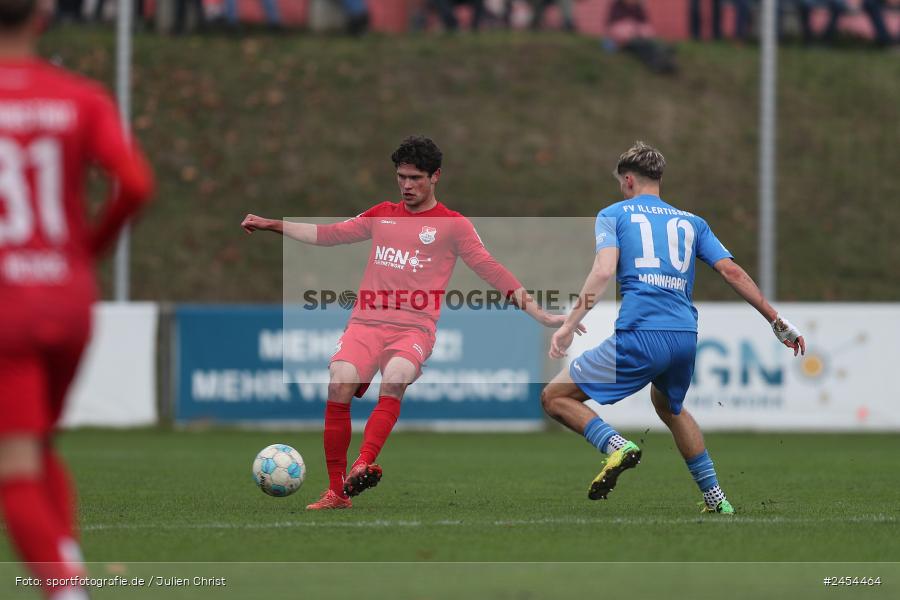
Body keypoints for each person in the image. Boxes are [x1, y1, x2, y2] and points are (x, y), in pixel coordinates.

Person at [241, 136, 575, 510]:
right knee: (338, 384)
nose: (406, 185)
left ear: (436, 177)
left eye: (415, 177)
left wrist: (539, 313)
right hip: (365, 324)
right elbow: (329, 234)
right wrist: (274, 224)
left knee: (396, 376)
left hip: (414, 329)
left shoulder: (453, 225)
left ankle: (363, 462)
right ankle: (337, 492)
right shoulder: (382, 213)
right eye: (401, 177)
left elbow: (490, 269)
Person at [541, 142, 805, 514]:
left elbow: (603, 271)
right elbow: (731, 270)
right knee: (670, 406)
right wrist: (776, 320)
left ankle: (617, 446)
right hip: (684, 336)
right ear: (658, 179)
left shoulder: (613, 214)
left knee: (555, 397)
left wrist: (569, 324)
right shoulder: (692, 222)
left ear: (628, 180)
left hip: (642, 333)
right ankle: (717, 500)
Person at [0, 0, 155, 597]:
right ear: (41, 18)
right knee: (37, 445)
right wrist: (89, 245)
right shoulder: (80, 97)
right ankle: (68, 564)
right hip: (68, 299)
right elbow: (135, 183)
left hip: (7, 307)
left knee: (13, 467)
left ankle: (67, 591)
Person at [605, 0, 677, 75]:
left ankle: (666, 60)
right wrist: (634, 30)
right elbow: (615, 28)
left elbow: (645, 25)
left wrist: (641, 31)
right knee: (642, 46)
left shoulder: (638, 8)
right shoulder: (617, 7)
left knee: (650, 43)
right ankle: (658, 64)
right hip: (624, 41)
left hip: (638, 37)